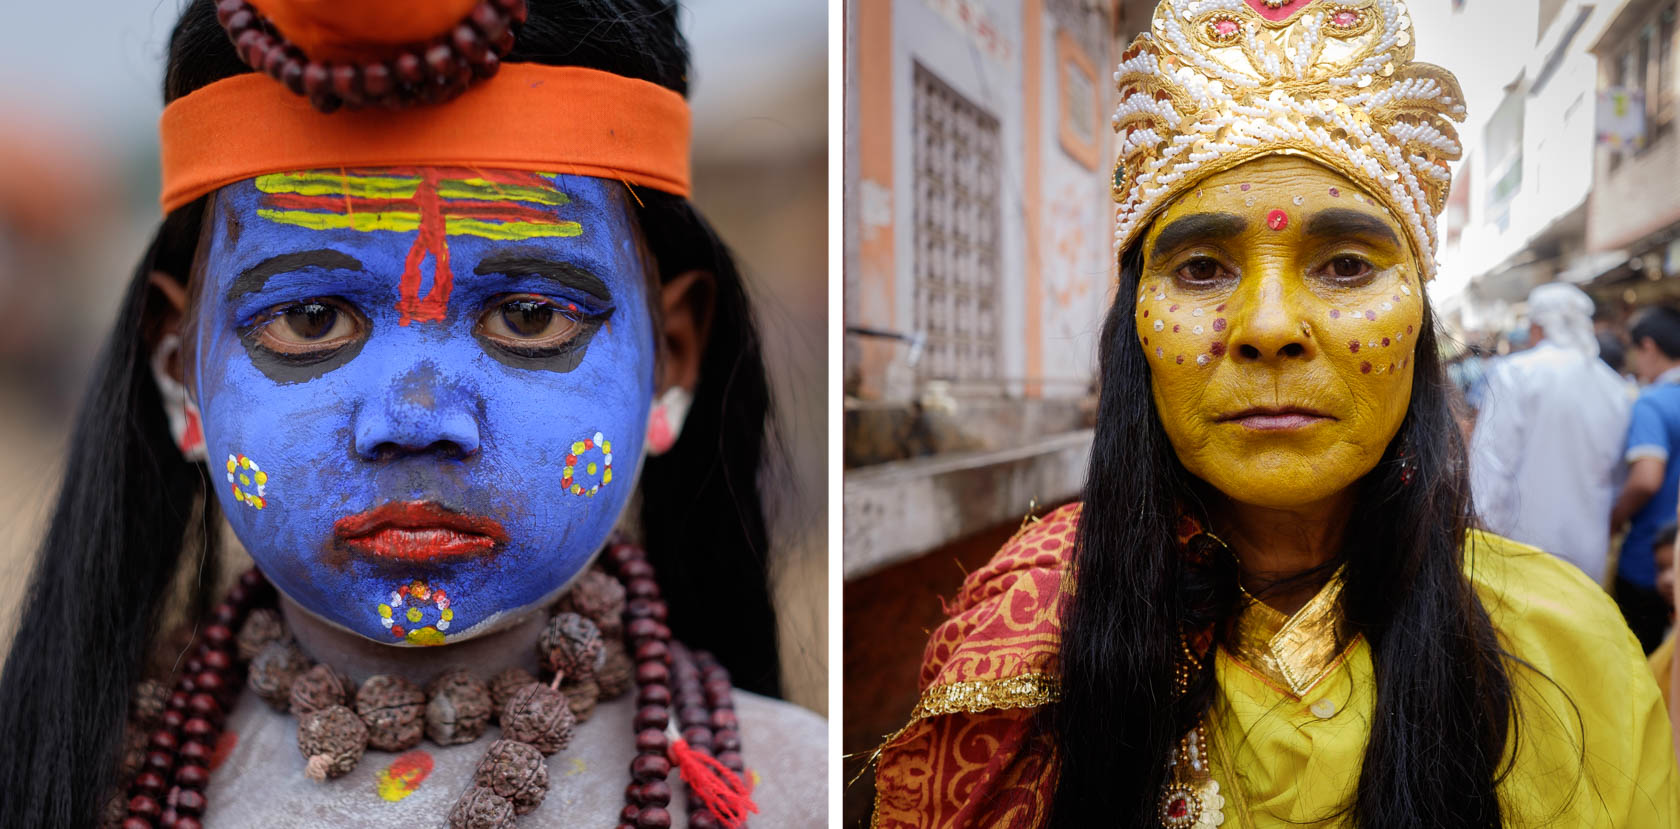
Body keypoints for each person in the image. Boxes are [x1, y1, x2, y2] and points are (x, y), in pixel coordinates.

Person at [0, 2, 825, 827]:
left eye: (530, 316)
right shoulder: (63, 777)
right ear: (179, 372)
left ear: (670, 359)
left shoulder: (801, 794)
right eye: (311, 318)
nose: (415, 418)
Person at [871, 1, 1679, 826]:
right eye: (1201, 269)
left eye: (1346, 265)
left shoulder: (1570, 649)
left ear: (1419, 325)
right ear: (1134, 328)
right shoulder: (1022, 639)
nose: (1267, 326)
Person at [1468, 282, 1630, 583]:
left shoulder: (1516, 373)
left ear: (1537, 327)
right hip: (1588, 553)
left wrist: (1482, 532)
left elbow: (1491, 465)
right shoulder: (1616, 388)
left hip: (1521, 550)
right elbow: (1618, 479)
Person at [1614, 306, 1680, 653]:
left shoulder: (1651, 403)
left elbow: (1646, 479)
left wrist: (1613, 519)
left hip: (1649, 564)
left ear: (1649, 347)